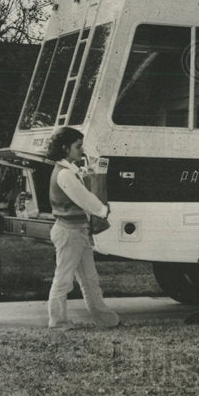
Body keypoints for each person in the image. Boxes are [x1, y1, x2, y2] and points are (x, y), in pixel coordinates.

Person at [45, 127, 120, 329]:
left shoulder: (68, 170)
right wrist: (103, 210)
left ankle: (106, 319)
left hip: (77, 230)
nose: (81, 150)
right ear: (65, 148)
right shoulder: (65, 175)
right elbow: (85, 199)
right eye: (77, 147)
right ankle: (57, 321)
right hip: (70, 232)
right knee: (64, 279)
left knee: (89, 279)